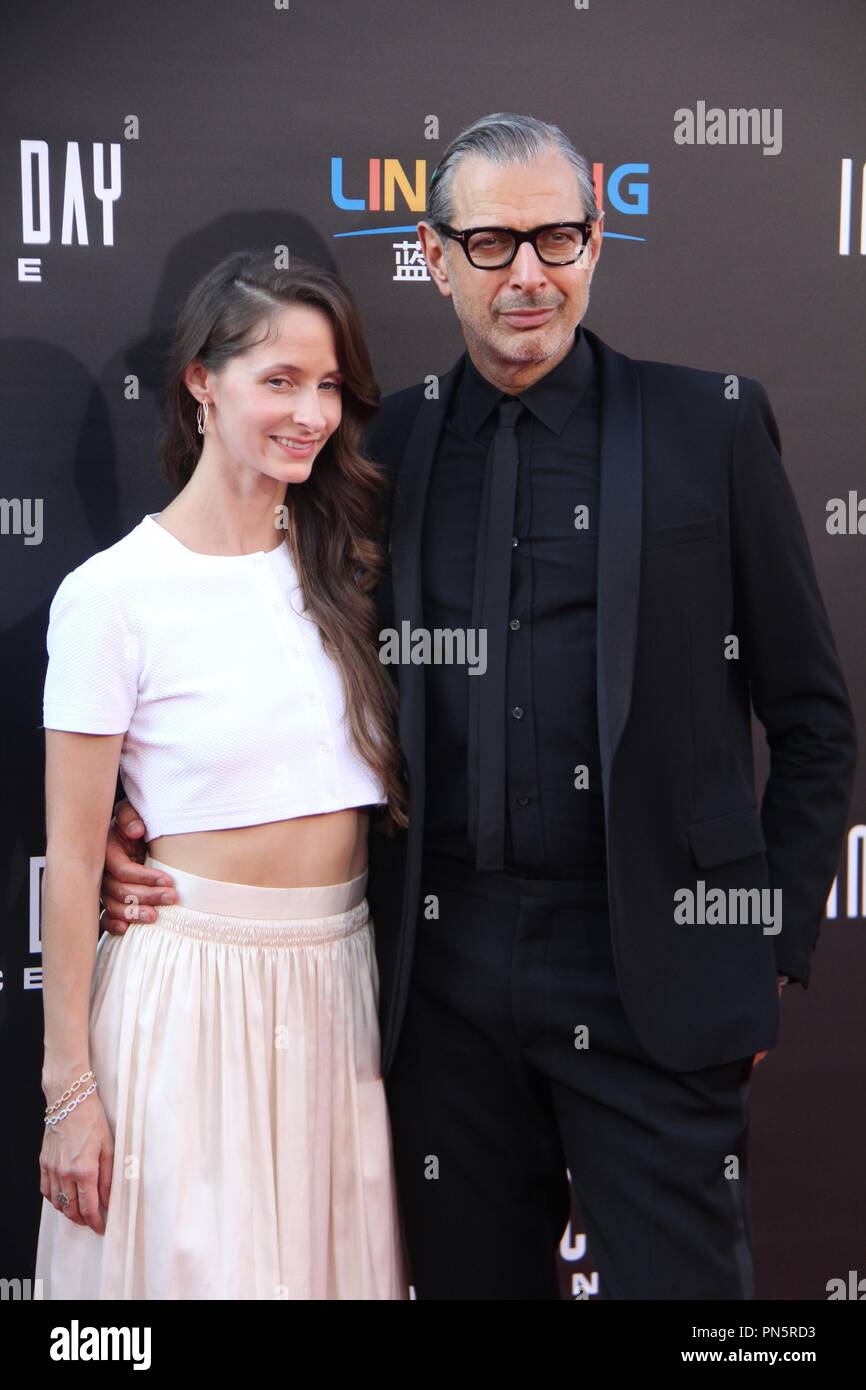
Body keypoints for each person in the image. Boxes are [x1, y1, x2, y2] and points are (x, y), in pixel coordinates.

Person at [100, 114, 858, 1300]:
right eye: (493, 242)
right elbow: (258, 650)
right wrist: (131, 813)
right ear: (435, 254)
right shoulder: (375, 447)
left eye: (558, 236)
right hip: (438, 982)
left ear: (595, 243)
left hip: (650, 966)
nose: (528, 273)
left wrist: (758, 941)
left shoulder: (704, 421)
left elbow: (813, 718)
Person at [35, 249, 410, 1300]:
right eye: (279, 380)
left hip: (338, 989)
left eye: (328, 383)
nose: (310, 412)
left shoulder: (346, 569)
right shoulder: (112, 595)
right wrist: (70, 1091)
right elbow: (71, 863)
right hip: (187, 1000)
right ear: (202, 379)